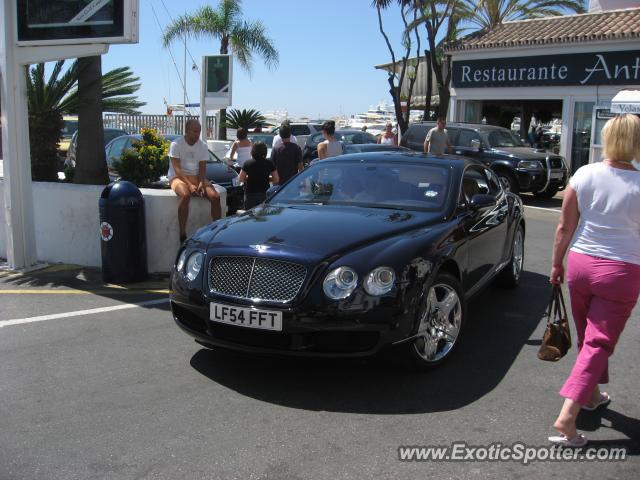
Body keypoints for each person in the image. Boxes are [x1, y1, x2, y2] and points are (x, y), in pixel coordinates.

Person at [548, 114, 640, 447]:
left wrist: (556, 264)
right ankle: (568, 416)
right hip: (621, 270)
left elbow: (564, 227)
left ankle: (591, 396)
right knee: (598, 342)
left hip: (581, 265)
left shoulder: (584, 174)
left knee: (589, 336)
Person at [168, 119, 221, 244]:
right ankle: (182, 233)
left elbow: (202, 167)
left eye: (199, 131)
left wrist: (201, 182)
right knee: (185, 195)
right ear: (187, 130)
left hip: (197, 177)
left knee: (215, 197)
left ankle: (217, 230)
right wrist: (189, 184)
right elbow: (177, 169)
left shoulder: (202, 145)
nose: (197, 134)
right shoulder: (176, 144)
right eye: (195, 131)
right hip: (178, 177)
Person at [239, 141, 279, 209]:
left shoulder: (247, 163)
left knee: (249, 216)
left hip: (250, 193)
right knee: (263, 215)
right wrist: (266, 178)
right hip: (264, 193)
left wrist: (249, 178)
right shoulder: (269, 163)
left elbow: (241, 178)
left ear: (253, 151)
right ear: (265, 151)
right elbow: (276, 179)